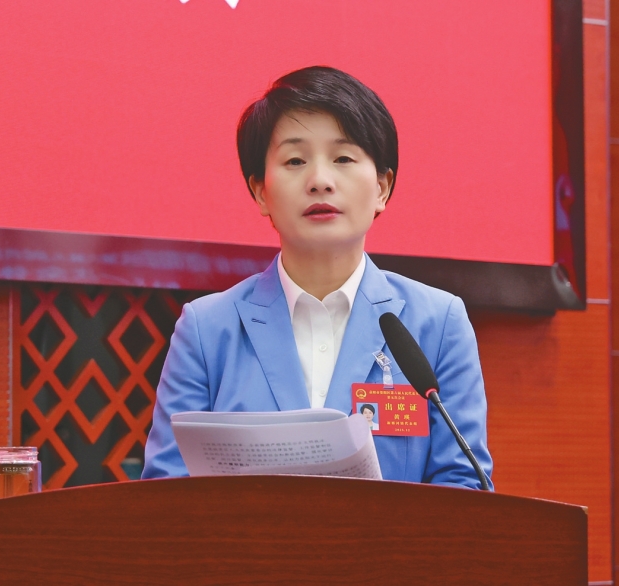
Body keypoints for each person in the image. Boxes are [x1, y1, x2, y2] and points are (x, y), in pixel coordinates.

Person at [143, 66, 493, 489]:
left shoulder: (438, 323)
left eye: (343, 159)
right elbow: (166, 491)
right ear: (261, 191)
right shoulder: (206, 329)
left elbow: (463, 487)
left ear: (382, 187)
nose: (320, 181)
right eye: (295, 161)